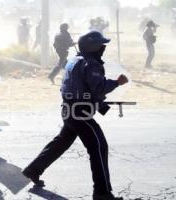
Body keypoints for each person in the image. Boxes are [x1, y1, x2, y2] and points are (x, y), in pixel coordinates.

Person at [22, 31, 129, 200]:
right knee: (99, 148)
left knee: (60, 143)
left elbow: (79, 87)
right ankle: (102, 193)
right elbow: (98, 88)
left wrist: (98, 104)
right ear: (93, 46)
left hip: (70, 111)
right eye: (101, 45)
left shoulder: (74, 60)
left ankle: (33, 170)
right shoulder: (91, 63)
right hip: (80, 114)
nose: (103, 48)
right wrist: (117, 82)